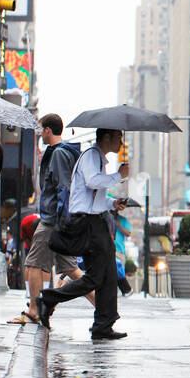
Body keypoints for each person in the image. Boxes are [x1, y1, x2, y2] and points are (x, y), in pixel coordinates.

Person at [35, 128, 130, 339]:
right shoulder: (91, 156)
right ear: (106, 137)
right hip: (87, 223)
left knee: (107, 275)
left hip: (95, 220)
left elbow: (94, 198)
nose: (121, 142)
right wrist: (118, 176)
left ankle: (103, 324)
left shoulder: (98, 159)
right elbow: (92, 181)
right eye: (118, 137)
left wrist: (112, 203)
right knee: (97, 277)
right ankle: (50, 298)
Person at [15, 114, 82, 324]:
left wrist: (60, 220)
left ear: (47, 131)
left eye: (40, 129)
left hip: (52, 220)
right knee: (70, 269)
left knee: (33, 263)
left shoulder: (59, 154)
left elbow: (63, 187)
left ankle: (34, 310)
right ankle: (104, 308)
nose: (38, 133)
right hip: (57, 219)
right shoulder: (58, 152)